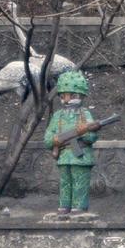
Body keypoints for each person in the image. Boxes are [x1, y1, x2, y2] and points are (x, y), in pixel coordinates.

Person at [44, 71, 98, 215]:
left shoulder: (84, 114)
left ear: (79, 96)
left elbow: (92, 136)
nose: (66, 100)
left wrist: (84, 133)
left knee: (80, 182)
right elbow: (48, 138)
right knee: (65, 183)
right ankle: (64, 205)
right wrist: (55, 140)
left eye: (72, 96)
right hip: (64, 156)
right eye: (63, 96)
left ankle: (79, 207)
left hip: (81, 155)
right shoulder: (57, 116)